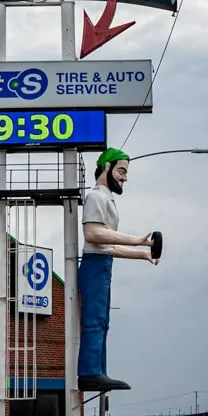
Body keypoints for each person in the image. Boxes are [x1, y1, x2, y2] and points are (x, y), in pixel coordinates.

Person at [78, 147, 160, 391]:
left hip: (103, 263)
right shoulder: (96, 197)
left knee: (102, 320)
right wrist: (137, 240)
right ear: (107, 167)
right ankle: (89, 371)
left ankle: (99, 370)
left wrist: (142, 254)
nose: (124, 177)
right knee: (93, 318)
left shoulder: (108, 200)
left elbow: (108, 245)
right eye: (121, 170)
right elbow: (93, 233)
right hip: (94, 265)